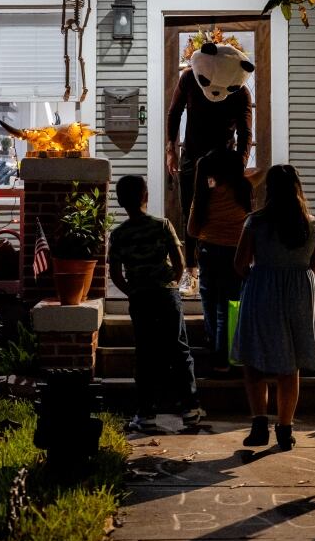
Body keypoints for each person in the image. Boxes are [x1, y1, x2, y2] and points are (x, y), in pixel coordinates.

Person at [231, 164, 315, 451]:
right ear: (297, 187)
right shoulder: (311, 224)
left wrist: (261, 275)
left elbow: (240, 263)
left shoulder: (255, 221)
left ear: (268, 188)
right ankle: (285, 429)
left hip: (262, 291)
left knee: (254, 359)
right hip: (298, 294)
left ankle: (259, 424)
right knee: (290, 364)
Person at [108, 174, 203, 432]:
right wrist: (171, 283)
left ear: (120, 201)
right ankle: (190, 410)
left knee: (145, 353)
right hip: (166, 295)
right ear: (146, 196)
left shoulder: (119, 235)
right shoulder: (162, 225)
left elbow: (115, 273)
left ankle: (147, 414)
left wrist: (132, 291)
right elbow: (180, 261)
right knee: (179, 350)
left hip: (141, 297)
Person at [166, 60, 253, 294]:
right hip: (192, 156)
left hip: (223, 162)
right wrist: (171, 149)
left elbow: (245, 131)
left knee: (221, 212)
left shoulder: (239, 89)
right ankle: (191, 272)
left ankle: (226, 269)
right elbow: (175, 111)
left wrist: (240, 164)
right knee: (190, 211)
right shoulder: (190, 77)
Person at [187, 149, 253, 374]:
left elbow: (192, 230)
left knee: (210, 302)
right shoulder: (243, 191)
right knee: (229, 304)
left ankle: (217, 352)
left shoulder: (205, 195)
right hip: (235, 252)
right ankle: (227, 354)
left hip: (209, 251)